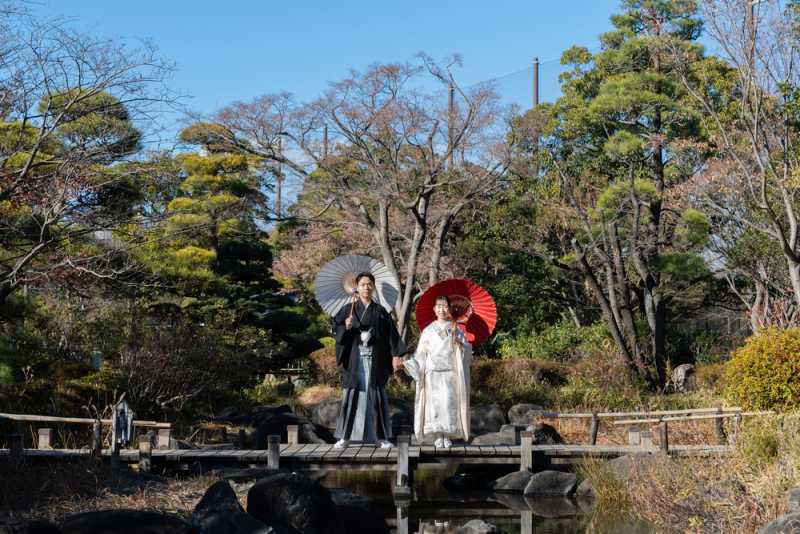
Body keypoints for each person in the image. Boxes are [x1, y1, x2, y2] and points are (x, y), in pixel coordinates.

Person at [332, 272, 407, 448]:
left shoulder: (381, 311)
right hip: (354, 359)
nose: (366, 287)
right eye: (363, 284)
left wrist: (395, 356)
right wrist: (345, 327)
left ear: (373, 287)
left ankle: (381, 437)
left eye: (370, 284)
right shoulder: (347, 309)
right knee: (352, 396)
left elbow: (391, 336)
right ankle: (345, 437)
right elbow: (335, 329)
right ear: (357, 288)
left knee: (376, 397)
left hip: (375, 359)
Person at [400, 296, 471, 448]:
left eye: (445, 306)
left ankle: (448, 436)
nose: (441, 310)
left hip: (450, 373)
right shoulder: (427, 331)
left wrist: (461, 345)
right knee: (435, 405)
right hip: (432, 373)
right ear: (434, 309)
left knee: (449, 403)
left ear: (450, 309)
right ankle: (439, 435)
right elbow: (420, 354)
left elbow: (466, 349)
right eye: (438, 306)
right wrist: (407, 364)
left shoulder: (456, 329)